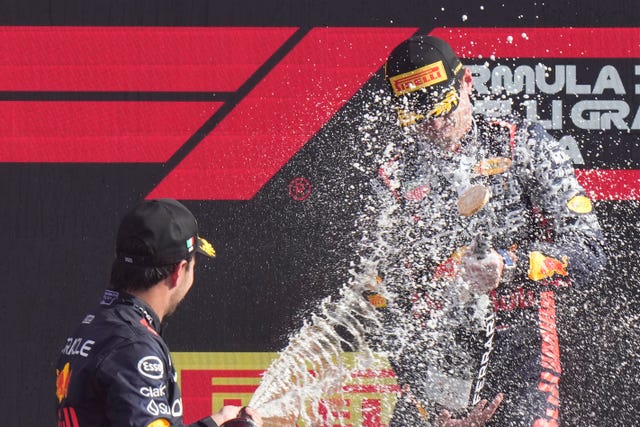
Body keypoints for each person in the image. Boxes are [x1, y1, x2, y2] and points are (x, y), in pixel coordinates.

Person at [362, 35, 607, 426]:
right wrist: (430, 405)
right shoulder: (392, 176)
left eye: (443, 107)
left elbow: (591, 252)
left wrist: (510, 264)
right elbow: (383, 297)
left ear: (467, 83)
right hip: (436, 354)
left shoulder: (522, 144)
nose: (436, 124)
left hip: (520, 341)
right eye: (418, 116)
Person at [55, 198, 264, 427]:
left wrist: (215, 422)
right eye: (194, 265)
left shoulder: (95, 325)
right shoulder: (133, 347)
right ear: (179, 271)